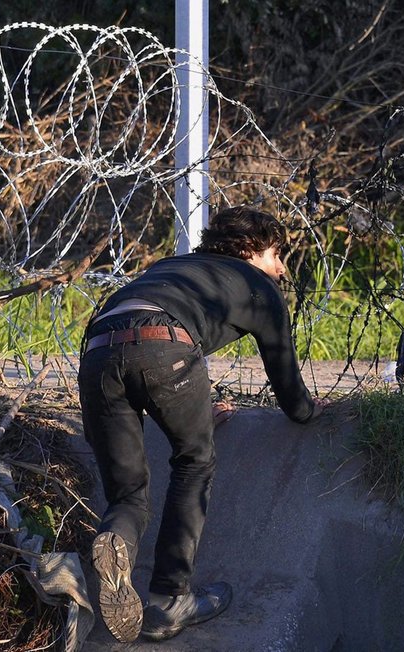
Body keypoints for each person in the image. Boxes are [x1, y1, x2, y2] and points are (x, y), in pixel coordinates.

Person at [77, 207, 326, 643]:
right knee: (194, 463)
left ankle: (115, 540)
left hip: (97, 348)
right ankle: (168, 601)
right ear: (249, 250)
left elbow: (134, 346)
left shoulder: (172, 266)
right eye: (275, 254)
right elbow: (289, 391)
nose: (281, 268)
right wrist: (313, 411)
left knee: (128, 495)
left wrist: (187, 410)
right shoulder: (258, 287)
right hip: (164, 349)